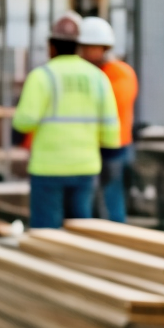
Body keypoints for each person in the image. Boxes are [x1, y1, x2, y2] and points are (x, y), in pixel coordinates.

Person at [14, 14, 120, 229]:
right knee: (79, 232)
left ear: (51, 46)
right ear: (79, 46)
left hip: (48, 168)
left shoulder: (42, 76)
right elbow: (111, 131)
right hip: (85, 166)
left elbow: (23, 122)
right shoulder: (98, 77)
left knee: (46, 234)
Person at [77, 16, 139, 222]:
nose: (85, 53)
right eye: (83, 47)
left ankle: (116, 237)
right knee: (92, 201)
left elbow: (108, 106)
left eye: (90, 47)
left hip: (114, 147)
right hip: (93, 145)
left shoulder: (120, 73)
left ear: (104, 47)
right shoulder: (93, 72)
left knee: (111, 199)